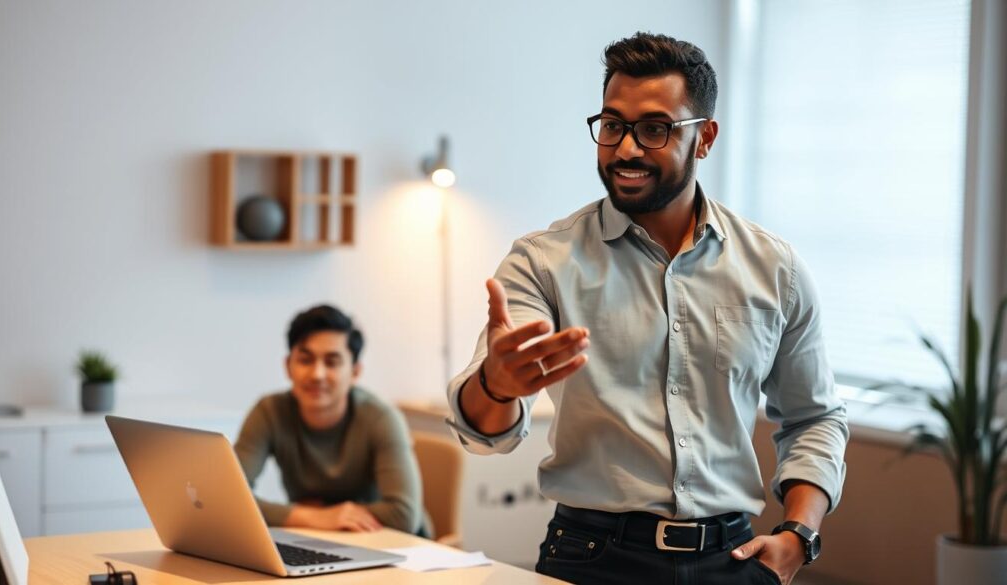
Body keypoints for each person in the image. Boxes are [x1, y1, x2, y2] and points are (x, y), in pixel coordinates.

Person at [446, 33, 848, 585]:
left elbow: (814, 416)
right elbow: (482, 431)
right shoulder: (543, 261)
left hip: (735, 560)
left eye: (654, 129)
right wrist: (497, 384)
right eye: (612, 126)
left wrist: (798, 535)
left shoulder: (774, 268)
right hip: (591, 557)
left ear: (704, 138)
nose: (627, 148)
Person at [235, 304, 428, 535]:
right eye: (305, 360)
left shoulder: (381, 419)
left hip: (390, 544)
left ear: (355, 372)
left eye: (332, 362)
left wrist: (315, 515)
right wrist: (313, 517)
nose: (317, 374)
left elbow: (403, 516)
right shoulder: (269, 412)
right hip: (313, 538)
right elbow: (229, 496)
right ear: (288, 366)